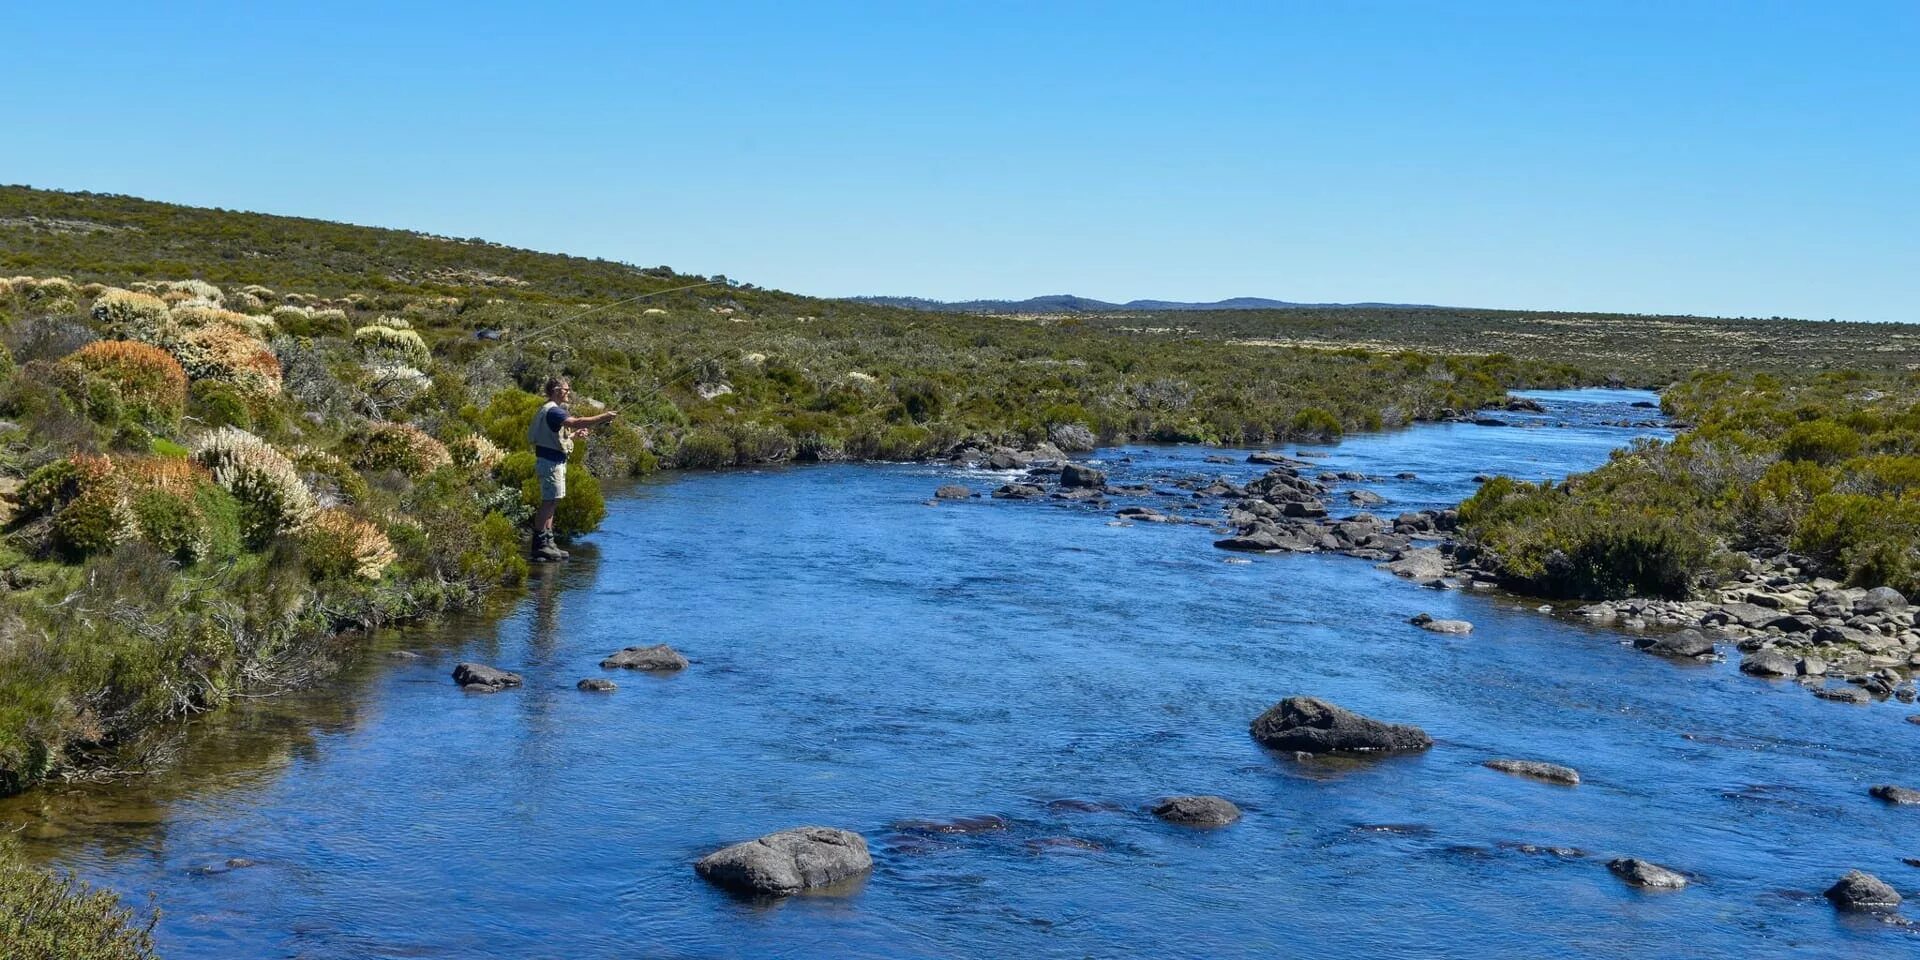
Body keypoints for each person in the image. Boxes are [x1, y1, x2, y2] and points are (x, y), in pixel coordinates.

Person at [527, 377, 617, 562]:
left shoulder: (552, 410)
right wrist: (604, 417)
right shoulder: (553, 411)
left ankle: (548, 542)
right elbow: (577, 421)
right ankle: (540, 545)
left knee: (552, 501)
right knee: (548, 501)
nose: (569, 392)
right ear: (556, 390)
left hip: (553, 461)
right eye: (566, 389)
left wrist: (574, 436)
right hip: (550, 463)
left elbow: (557, 437)